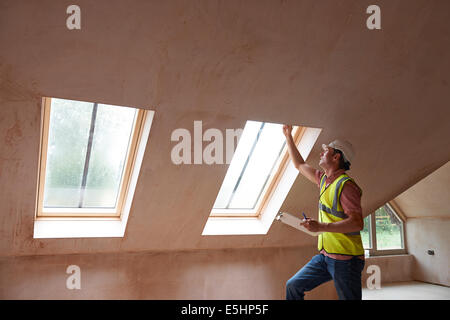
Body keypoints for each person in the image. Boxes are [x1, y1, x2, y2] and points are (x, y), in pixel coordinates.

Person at [282, 124, 365, 300]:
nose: (321, 153)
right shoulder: (324, 180)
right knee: (293, 286)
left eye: (326, 150)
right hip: (325, 257)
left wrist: (321, 226)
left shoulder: (346, 186)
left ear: (336, 157)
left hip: (347, 260)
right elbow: (299, 164)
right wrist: (288, 136)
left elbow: (357, 222)